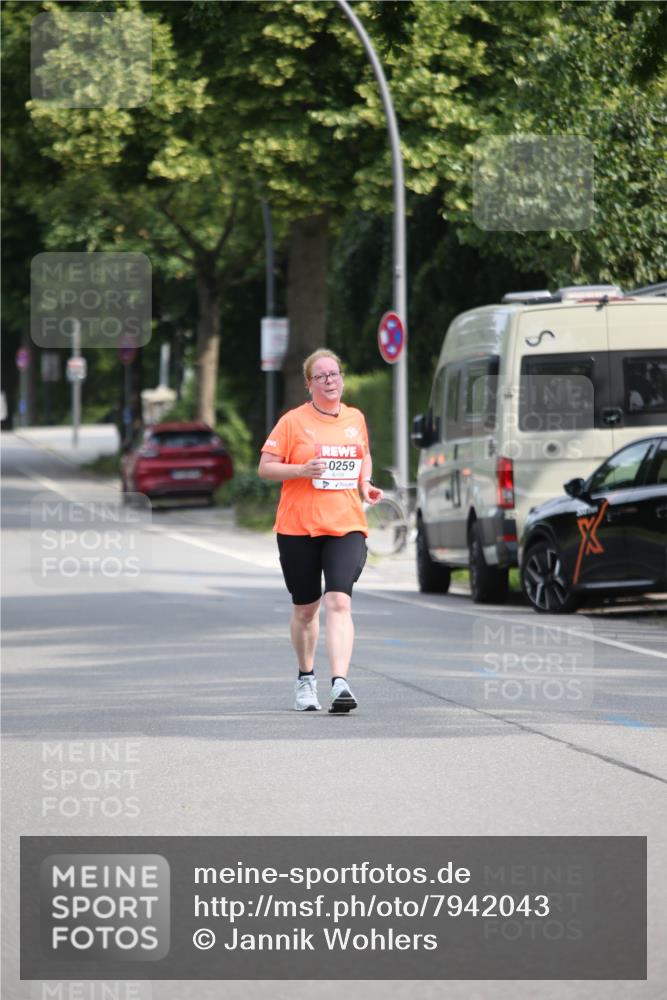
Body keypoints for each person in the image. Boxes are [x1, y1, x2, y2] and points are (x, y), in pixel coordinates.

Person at [258, 349, 383, 714]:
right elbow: (266, 468)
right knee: (306, 610)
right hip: (298, 527)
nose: (331, 381)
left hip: (345, 524)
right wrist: (300, 470)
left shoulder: (354, 418)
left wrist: (365, 483)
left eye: (335, 374)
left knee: (339, 600)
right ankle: (305, 677)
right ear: (309, 384)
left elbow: (363, 454)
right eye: (322, 376)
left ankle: (340, 682)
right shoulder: (292, 422)